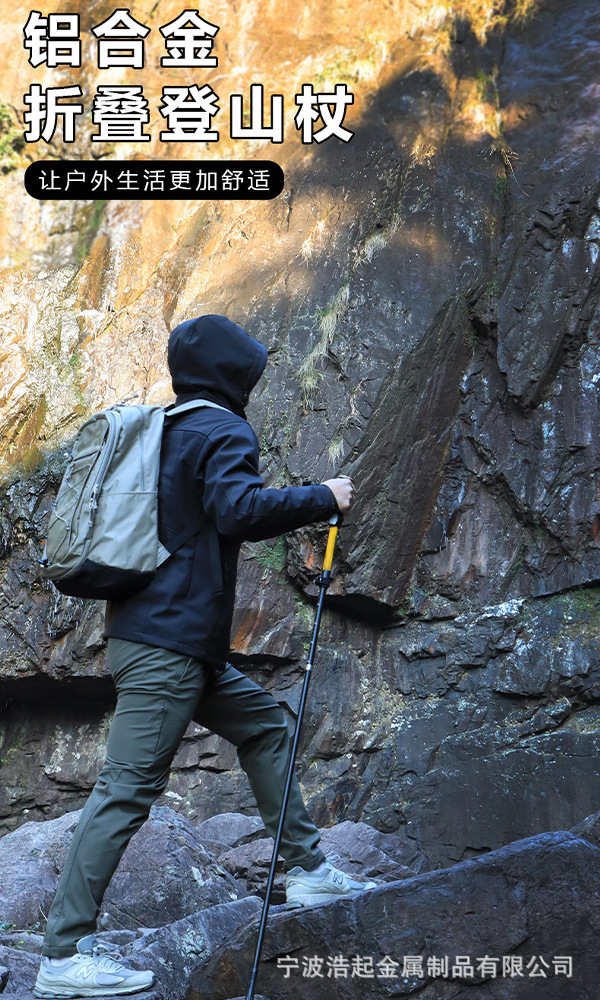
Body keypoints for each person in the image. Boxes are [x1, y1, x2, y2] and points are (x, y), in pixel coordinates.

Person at [34, 315, 375, 999]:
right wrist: (321, 497)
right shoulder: (220, 428)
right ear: (230, 374)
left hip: (165, 639)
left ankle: (307, 869)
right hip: (168, 648)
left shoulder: (162, 430)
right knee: (127, 790)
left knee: (267, 724)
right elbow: (237, 510)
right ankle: (64, 957)